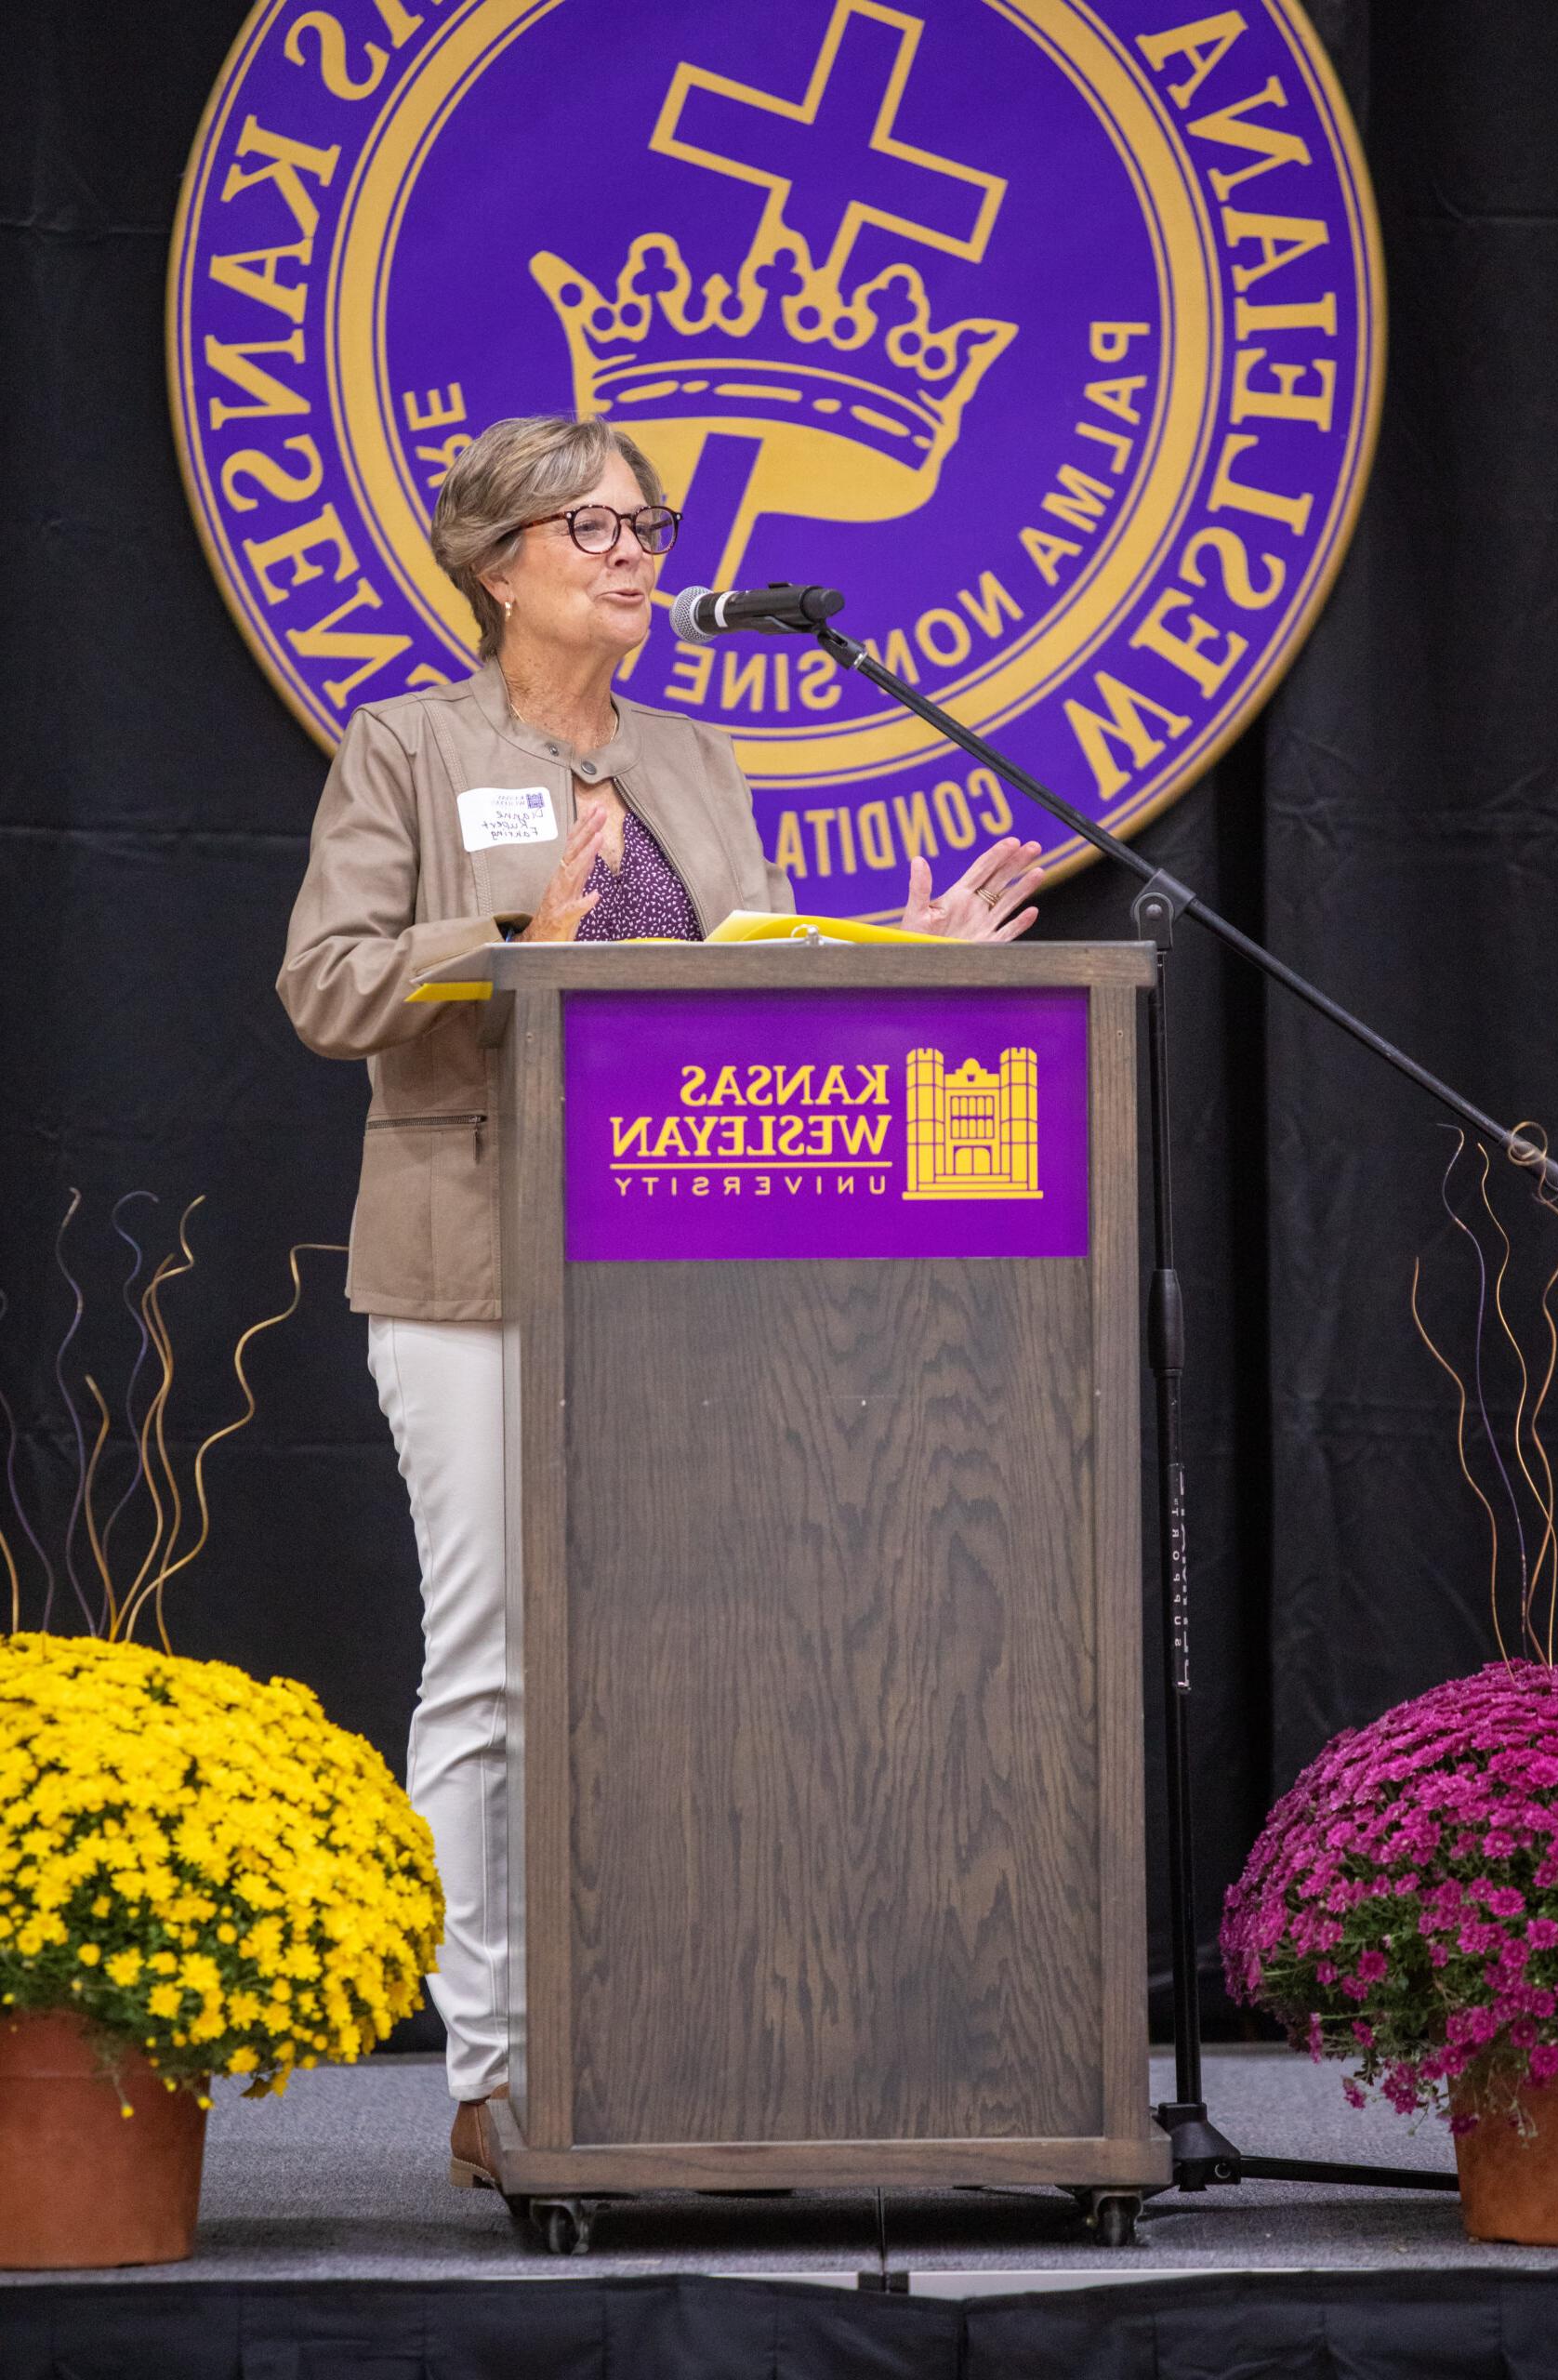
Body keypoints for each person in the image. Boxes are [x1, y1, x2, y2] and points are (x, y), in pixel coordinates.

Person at [276, 414, 1044, 2192]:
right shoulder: (407, 746)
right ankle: (496, 2071)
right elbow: (326, 986)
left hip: (687, 1275)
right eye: (596, 528)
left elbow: (745, 999)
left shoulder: (700, 764)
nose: (636, 554)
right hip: (472, 1266)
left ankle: (688, 2030)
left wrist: (901, 954)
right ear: (499, 567)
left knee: (690, 1657)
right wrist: (512, 947)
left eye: (649, 526)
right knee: (490, 1668)